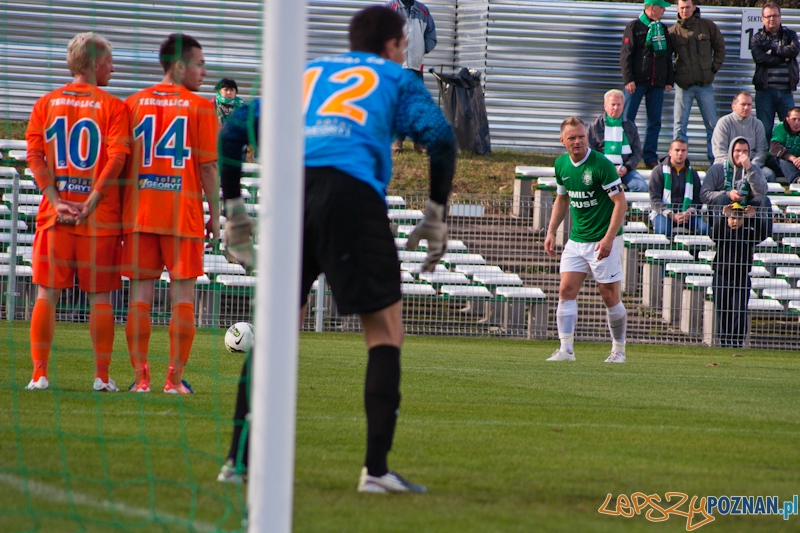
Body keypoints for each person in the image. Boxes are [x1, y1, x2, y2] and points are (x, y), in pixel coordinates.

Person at [216, 6, 456, 492]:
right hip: (351, 196)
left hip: (289, 197)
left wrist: (236, 210)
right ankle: (376, 470)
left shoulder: (307, 73)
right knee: (385, 332)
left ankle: (236, 462)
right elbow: (441, 138)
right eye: (403, 44)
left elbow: (231, 131)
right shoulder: (394, 76)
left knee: (278, 329)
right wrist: (433, 213)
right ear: (394, 44)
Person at [24, 32, 130, 392]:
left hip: (56, 218)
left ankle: (39, 375)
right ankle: (101, 377)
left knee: (45, 295)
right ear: (96, 64)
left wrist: (56, 201)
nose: (113, 69)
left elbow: (35, 158)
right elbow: (117, 157)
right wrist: (92, 202)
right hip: (98, 219)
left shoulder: (45, 103)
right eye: (111, 62)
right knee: (101, 298)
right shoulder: (115, 107)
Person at [123, 33, 220, 394]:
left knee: (139, 298)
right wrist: (216, 214)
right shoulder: (201, 107)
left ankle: (140, 379)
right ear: (179, 66)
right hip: (184, 217)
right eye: (200, 64)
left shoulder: (132, 103)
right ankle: (174, 381)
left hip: (140, 215)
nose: (205, 73)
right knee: (183, 299)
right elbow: (209, 169)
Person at [545, 117, 628, 364]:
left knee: (609, 296)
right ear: (562, 141)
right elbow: (562, 199)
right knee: (566, 290)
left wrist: (609, 239)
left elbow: (620, 203)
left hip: (603, 239)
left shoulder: (601, 164)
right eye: (572, 137)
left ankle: (619, 350)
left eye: (581, 136)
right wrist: (551, 231)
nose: (578, 141)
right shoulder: (561, 165)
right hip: (577, 239)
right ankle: (566, 350)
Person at [668, 0, 725, 162]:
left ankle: (715, 162)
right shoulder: (673, 32)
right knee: (679, 127)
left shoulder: (708, 26)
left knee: (712, 126)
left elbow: (720, 47)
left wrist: (713, 69)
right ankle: (679, 162)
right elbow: (665, 59)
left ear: (694, 7)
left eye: (687, 7)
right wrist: (674, 76)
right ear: (677, 9)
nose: (685, 11)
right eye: (681, 8)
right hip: (683, 86)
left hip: (704, 85)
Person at [620, 0, 674, 168]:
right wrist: (628, 79)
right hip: (636, 82)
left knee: (654, 121)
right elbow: (626, 55)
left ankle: (650, 156)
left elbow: (667, 56)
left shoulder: (662, 28)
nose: (664, 11)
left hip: (656, 83)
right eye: (662, 7)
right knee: (628, 119)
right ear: (651, 8)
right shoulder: (634, 27)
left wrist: (668, 80)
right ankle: (626, 154)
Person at [711, 202, 769, 348]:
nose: (735, 221)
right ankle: (724, 341)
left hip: (741, 277)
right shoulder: (723, 232)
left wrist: (754, 218)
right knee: (722, 309)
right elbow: (714, 234)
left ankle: (737, 342)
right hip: (721, 276)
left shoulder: (747, 233)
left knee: (739, 309)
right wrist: (723, 217)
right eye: (732, 218)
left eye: (739, 218)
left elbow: (762, 235)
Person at [385, 0, 437, 153]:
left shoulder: (423, 10)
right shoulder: (390, 8)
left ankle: (419, 142)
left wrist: (421, 52)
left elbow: (431, 35)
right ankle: (397, 140)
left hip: (415, 66)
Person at [701, 136, 772, 235]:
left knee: (764, 200)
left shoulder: (754, 169)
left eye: (745, 151)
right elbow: (704, 195)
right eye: (737, 150)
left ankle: (764, 237)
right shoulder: (716, 169)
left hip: (746, 213)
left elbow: (761, 192)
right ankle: (720, 235)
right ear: (731, 152)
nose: (741, 154)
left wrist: (749, 169)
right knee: (722, 199)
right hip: (724, 214)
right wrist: (727, 194)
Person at [751, 2, 799, 145]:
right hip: (765, 91)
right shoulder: (757, 38)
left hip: (786, 91)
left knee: (791, 128)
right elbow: (760, 58)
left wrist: (772, 50)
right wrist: (783, 57)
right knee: (764, 129)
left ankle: (789, 160)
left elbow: (794, 50)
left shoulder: (790, 35)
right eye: (768, 16)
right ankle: (765, 162)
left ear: (780, 17)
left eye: (775, 15)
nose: (772, 19)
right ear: (762, 18)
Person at [586, 89, 648, 192]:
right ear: (605, 106)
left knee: (641, 186)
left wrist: (626, 167)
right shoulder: (594, 126)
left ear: (623, 106)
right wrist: (607, 168)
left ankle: (625, 206)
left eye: (619, 105)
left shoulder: (630, 126)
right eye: (613, 104)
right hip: (601, 170)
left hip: (624, 169)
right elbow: (589, 152)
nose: (616, 108)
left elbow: (637, 152)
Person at [648, 139, 708, 237]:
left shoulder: (692, 173)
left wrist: (689, 212)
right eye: (677, 150)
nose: (680, 153)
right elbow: (655, 199)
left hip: (687, 214)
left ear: (687, 153)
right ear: (670, 152)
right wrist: (671, 214)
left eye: (683, 150)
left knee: (704, 229)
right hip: (663, 213)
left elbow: (698, 199)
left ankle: (693, 252)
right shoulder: (658, 171)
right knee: (663, 231)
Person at [711, 91, 776, 182]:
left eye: (749, 105)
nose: (746, 108)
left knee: (769, 175)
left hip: (751, 165)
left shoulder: (757, 124)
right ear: (733, 106)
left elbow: (762, 151)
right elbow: (719, 151)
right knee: (716, 174)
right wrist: (734, 166)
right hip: (726, 165)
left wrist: (750, 166)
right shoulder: (723, 123)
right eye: (743, 104)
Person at [770, 106, 800, 184]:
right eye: (794, 119)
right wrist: (793, 158)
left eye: (799, 120)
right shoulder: (780, 127)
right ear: (788, 120)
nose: (797, 123)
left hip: (795, 164)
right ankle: (797, 181)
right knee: (782, 159)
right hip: (775, 162)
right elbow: (774, 147)